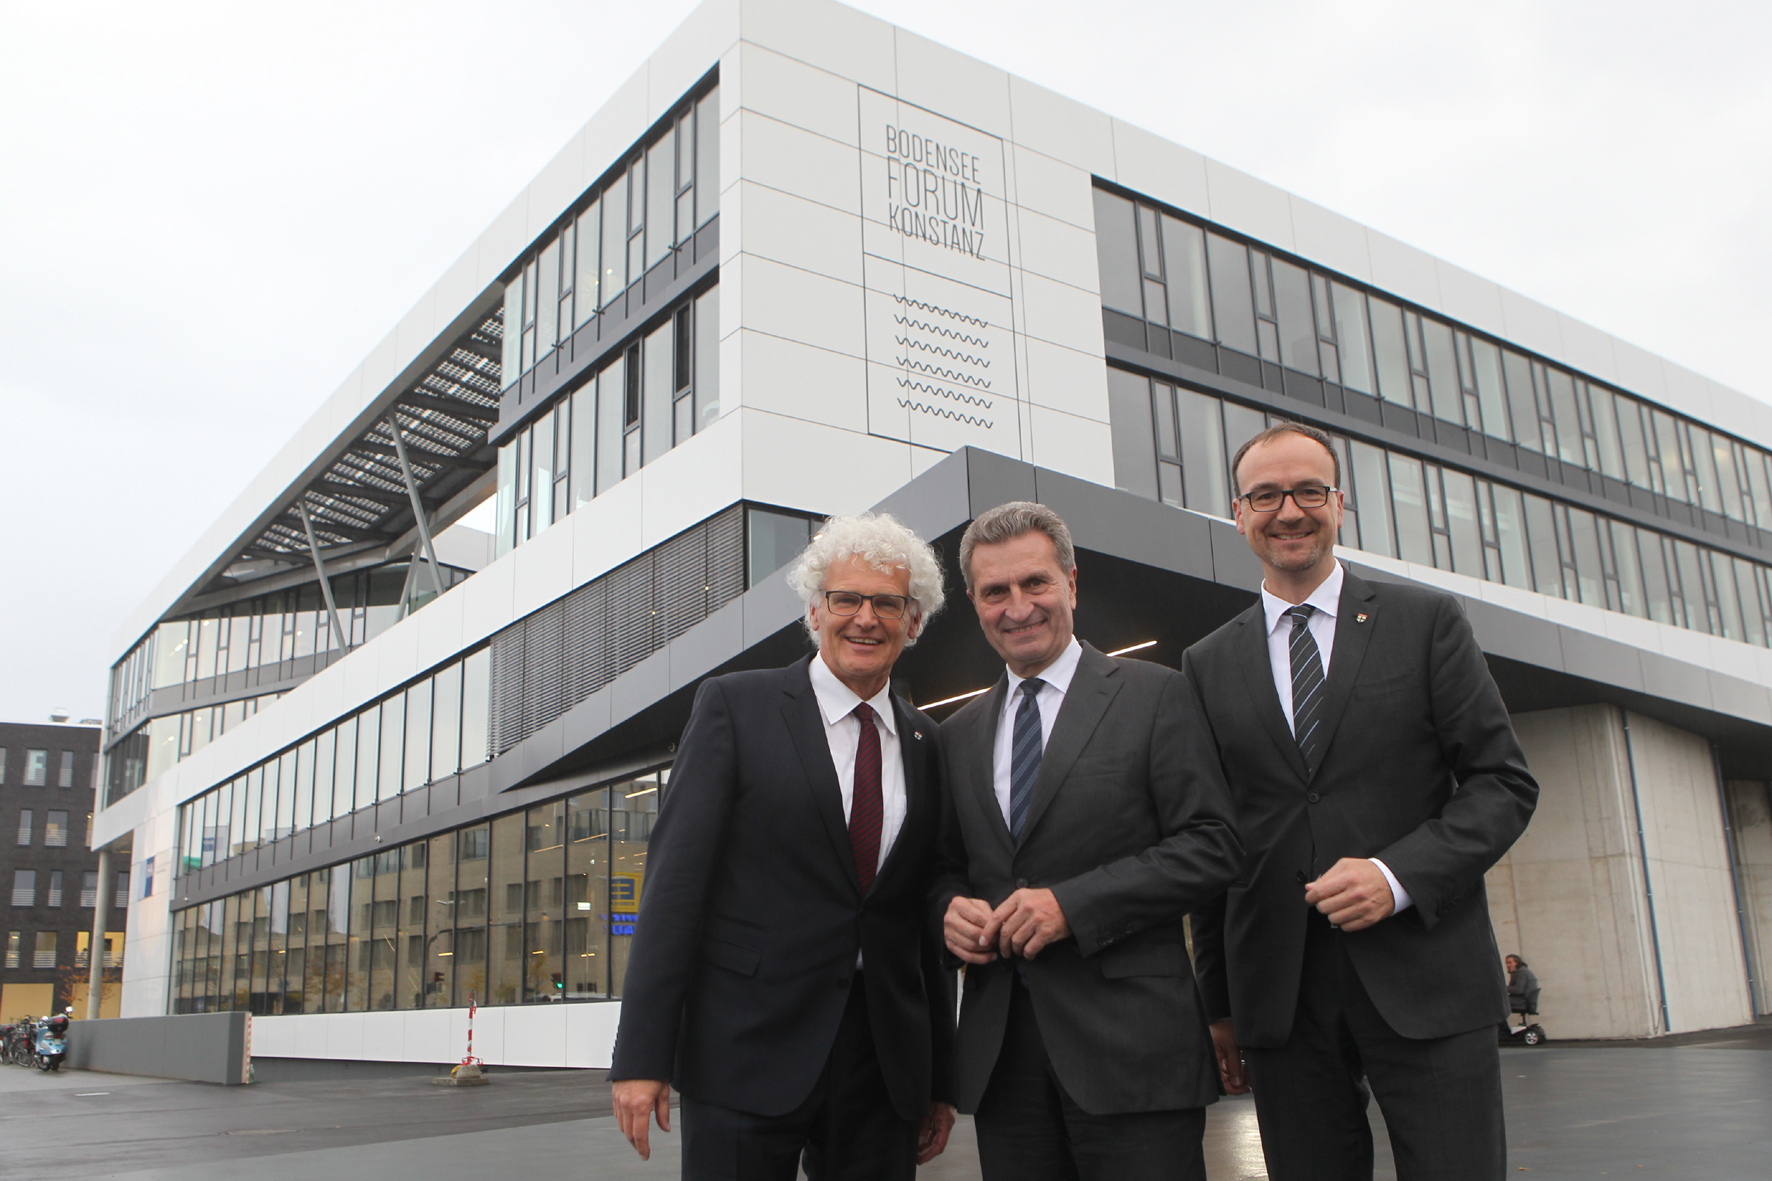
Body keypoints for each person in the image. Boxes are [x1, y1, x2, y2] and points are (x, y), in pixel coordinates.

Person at [1184, 422, 1539, 1181]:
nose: (1289, 511)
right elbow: (1213, 840)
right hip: (1280, 1001)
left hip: (1428, 981)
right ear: (1237, 511)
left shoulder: (1426, 622)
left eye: (1309, 490)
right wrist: (1219, 1003)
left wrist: (1396, 874)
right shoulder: (1207, 663)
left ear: (1339, 502)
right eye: (1266, 494)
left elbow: (1503, 782)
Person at [608, 513, 957, 1178]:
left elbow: (921, 923)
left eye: (888, 602)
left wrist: (940, 1076)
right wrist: (642, 1056)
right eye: (846, 598)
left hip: (883, 1070)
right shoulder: (735, 708)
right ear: (814, 609)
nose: (865, 617)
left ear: (915, 621)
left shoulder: (927, 743)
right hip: (745, 1052)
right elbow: (674, 889)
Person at [933, 501, 1242, 1180]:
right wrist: (948, 909)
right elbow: (946, 869)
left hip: (1135, 1055)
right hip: (1004, 1060)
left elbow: (1215, 843)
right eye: (996, 591)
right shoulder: (956, 734)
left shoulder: (1158, 695)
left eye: (1035, 582)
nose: (1018, 606)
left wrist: (1072, 905)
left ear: (1071, 583)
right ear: (976, 604)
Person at [1505, 955, 1539, 1022]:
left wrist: (1502, 988)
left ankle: (1504, 1029)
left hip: (1522, 1001)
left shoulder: (1521, 972)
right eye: (1506, 963)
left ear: (1517, 963)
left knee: (1496, 1004)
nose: (1508, 965)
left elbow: (1518, 990)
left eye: (1510, 962)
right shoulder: (1519, 971)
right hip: (1522, 1000)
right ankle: (1503, 1029)